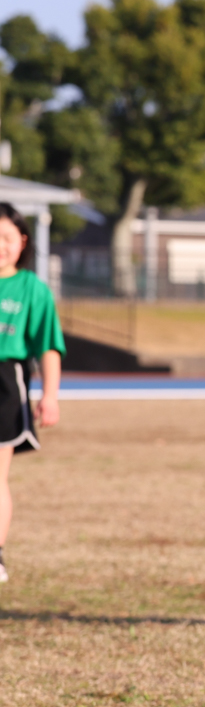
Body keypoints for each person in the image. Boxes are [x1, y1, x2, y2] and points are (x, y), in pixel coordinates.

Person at [0, 203, 63, 583]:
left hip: (5, 383)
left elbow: (48, 347)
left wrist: (50, 396)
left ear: (22, 241)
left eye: (6, 237)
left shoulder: (32, 289)